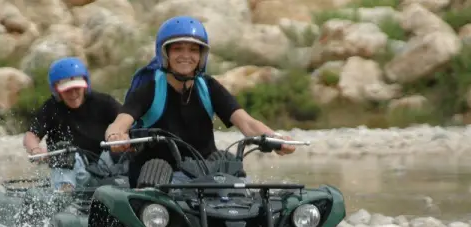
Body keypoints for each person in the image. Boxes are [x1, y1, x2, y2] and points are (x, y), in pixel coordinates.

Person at [103, 15, 297, 183]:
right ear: (165, 54)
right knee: (157, 166)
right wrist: (116, 137)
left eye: (193, 50)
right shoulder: (150, 89)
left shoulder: (209, 87)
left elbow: (247, 123)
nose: (186, 56)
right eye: (178, 49)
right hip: (157, 177)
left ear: (201, 55)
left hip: (204, 175)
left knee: (227, 161)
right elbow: (119, 123)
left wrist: (275, 138)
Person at [22, 57, 123, 191]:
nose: (73, 94)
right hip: (74, 172)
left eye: (77, 88)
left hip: (106, 167)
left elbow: (126, 122)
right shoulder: (51, 108)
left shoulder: (104, 102)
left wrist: (121, 138)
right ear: (57, 90)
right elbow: (31, 135)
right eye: (67, 90)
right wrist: (36, 150)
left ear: (85, 86)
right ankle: (64, 195)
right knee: (64, 153)